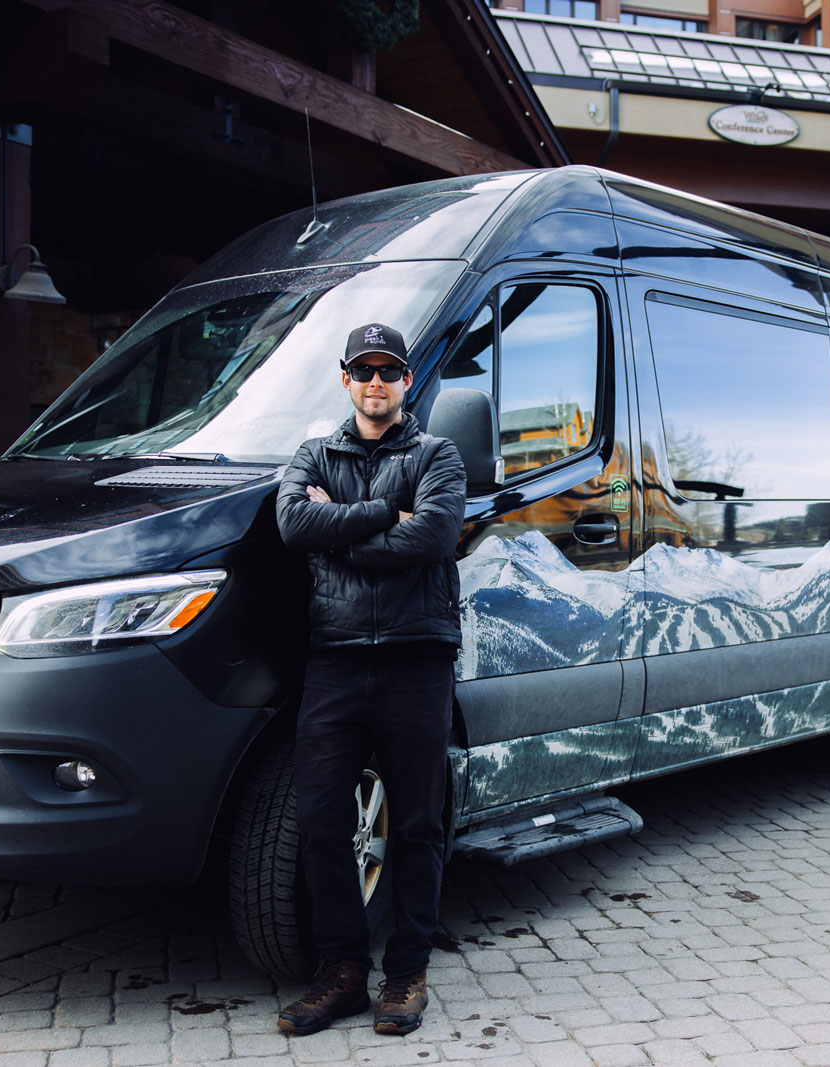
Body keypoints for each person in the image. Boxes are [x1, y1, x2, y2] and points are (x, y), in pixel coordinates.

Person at [273, 322, 466, 1038]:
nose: (377, 381)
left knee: (418, 823)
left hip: (419, 657)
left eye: (390, 370)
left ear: (407, 381)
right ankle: (343, 973)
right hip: (337, 658)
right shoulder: (313, 454)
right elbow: (294, 525)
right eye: (364, 370)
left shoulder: (437, 453)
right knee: (323, 820)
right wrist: (388, 510)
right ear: (346, 379)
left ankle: (406, 973)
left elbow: (435, 538)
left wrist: (342, 524)